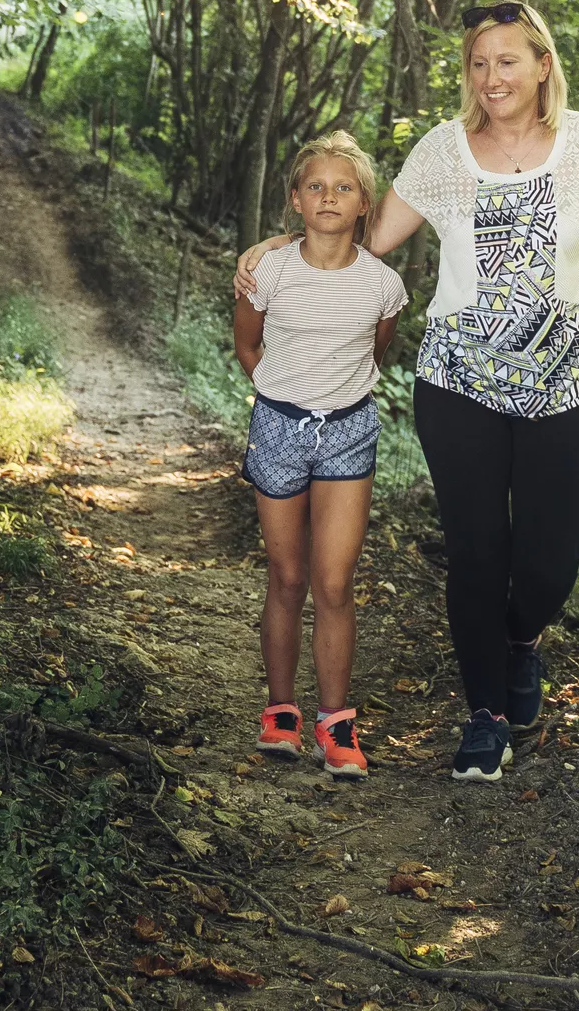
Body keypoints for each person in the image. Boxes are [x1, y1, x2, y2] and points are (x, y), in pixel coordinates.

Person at [241, 1, 579, 782]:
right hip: (457, 384)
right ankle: (485, 716)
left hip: (564, 385)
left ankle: (521, 641)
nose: (491, 77)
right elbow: (360, 236)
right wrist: (277, 246)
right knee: (476, 553)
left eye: (507, 61)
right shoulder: (442, 151)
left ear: (542, 66)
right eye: (478, 64)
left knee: (548, 566)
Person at [235, 130, 410, 779]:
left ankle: (335, 725)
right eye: (316, 186)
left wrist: (333, 399)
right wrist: (282, 396)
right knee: (286, 577)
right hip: (278, 428)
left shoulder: (382, 285)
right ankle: (279, 709)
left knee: (334, 583)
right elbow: (247, 347)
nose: (329, 196)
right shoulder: (268, 272)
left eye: (343, 187)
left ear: (365, 204)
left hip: (348, 433)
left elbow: (375, 352)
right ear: (295, 201)